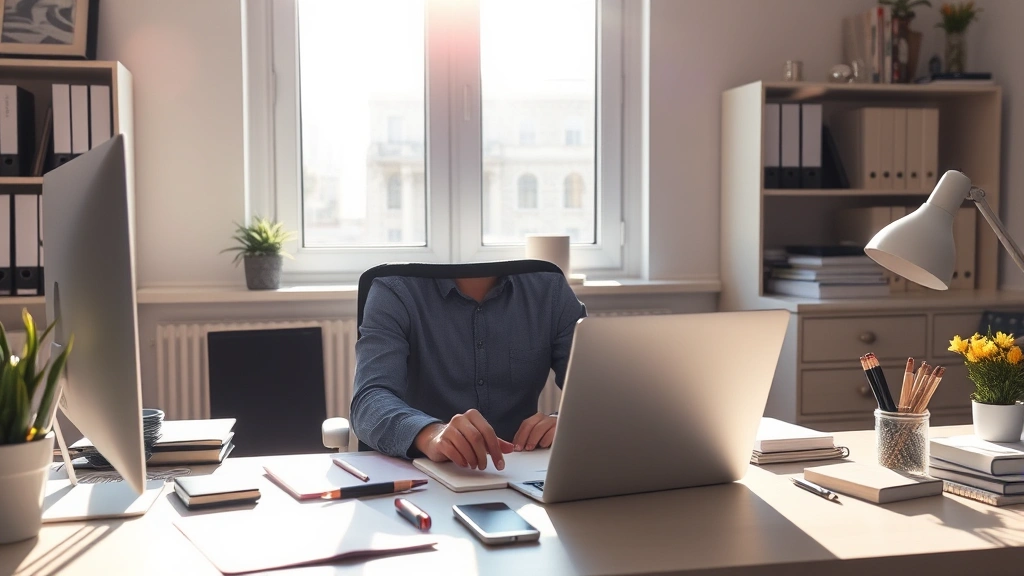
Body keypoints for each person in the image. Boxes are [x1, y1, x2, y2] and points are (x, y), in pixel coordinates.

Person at [351, 271, 586, 471]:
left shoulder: (549, 289)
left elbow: (600, 391)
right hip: (427, 474)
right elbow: (369, 401)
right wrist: (430, 434)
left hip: (525, 470)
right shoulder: (395, 290)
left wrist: (567, 421)